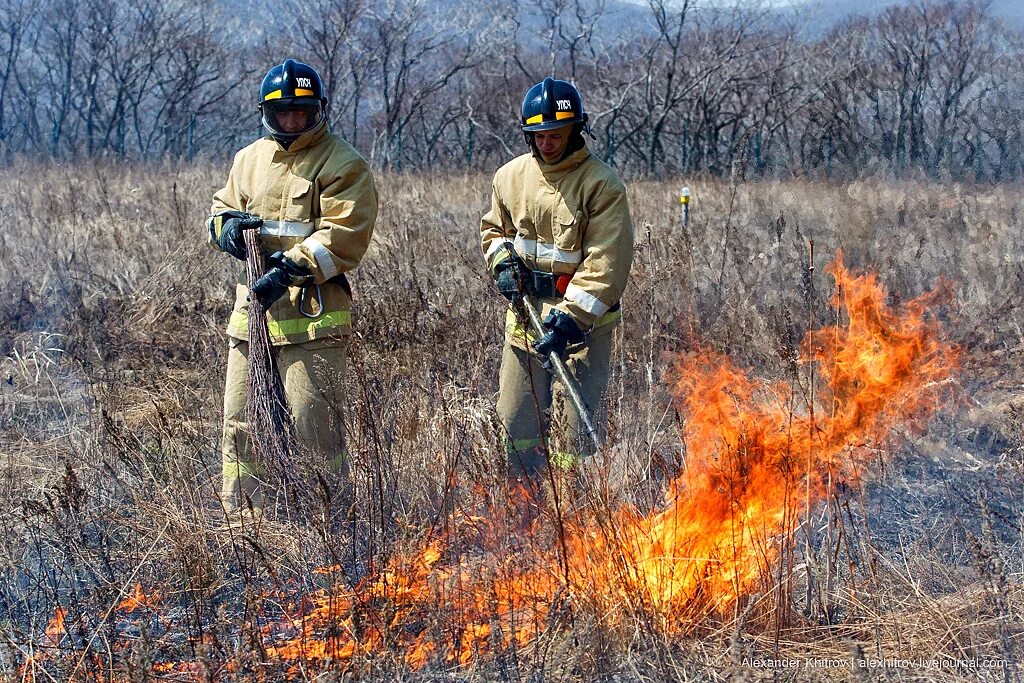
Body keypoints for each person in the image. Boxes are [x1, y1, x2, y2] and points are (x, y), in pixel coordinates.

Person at [207, 59, 378, 519]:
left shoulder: (343, 163)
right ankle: (246, 524)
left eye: (302, 112)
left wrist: (287, 270)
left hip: (313, 318)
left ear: (319, 110)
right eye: (283, 112)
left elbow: (345, 234)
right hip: (252, 318)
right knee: (241, 425)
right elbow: (221, 208)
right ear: (267, 112)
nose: (292, 121)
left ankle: (330, 522)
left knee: (314, 426)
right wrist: (225, 229)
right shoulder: (249, 159)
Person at [480, 77, 634, 482]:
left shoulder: (601, 185)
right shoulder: (510, 177)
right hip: (525, 320)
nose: (546, 143)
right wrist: (503, 264)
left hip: (581, 329)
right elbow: (494, 232)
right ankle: (523, 502)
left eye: (556, 135)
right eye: (539, 135)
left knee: (574, 437)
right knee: (515, 422)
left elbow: (606, 262)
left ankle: (575, 506)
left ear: (575, 131)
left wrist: (570, 320)